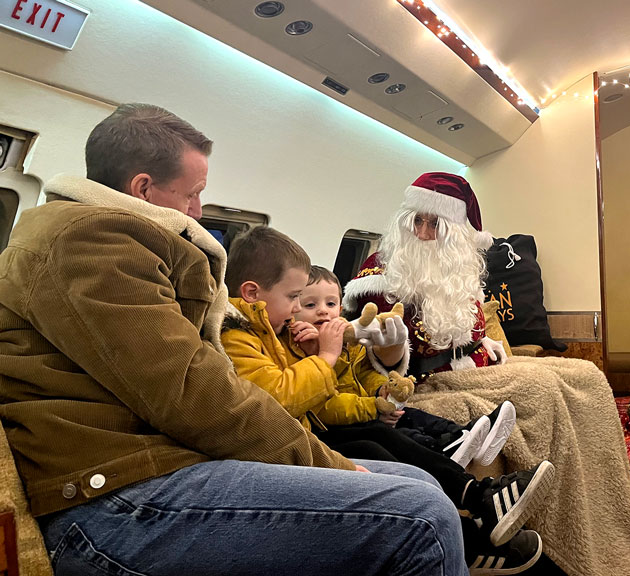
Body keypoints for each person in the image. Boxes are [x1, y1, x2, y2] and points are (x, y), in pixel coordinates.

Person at [0, 103, 469, 575]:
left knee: (417, 480)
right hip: (112, 497)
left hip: (151, 465)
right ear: (142, 188)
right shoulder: (93, 244)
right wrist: (329, 465)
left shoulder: (102, 239)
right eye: (192, 195)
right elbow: (194, 394)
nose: (199, 212)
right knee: (423, 516)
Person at [220, 228, 554, 559]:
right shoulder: (239, 337)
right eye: (295, 298)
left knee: (381, 437)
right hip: (297, 440)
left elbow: (341, 377)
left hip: (307, 433)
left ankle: (479, 498)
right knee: (374, 441)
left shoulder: (276, 328)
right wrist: (326, 358)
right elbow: (283, 397)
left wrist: (373, 382)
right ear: (251, 293)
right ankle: (471, 533)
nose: (297, 309)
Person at [298, 265, 517, 469]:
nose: (323, 312)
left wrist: (383, 390)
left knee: (409, 413)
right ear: (292, 309)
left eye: (331, 304)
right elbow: (323, 404)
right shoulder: (300, 348)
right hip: (346, 421)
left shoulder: (350, 340)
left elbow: (365, 372)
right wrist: (372, 407)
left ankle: (461, 434)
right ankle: (443, 447)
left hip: (368, 406)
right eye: (310, 305)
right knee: (396, 432)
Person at [342, 172, 507, 381]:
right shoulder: (380, 272)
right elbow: (376, 356)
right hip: (425, 382)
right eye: (417, 221)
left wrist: (483, 340)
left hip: (478, 365)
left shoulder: (460, 270)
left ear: (453, 235)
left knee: (553, 376)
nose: (421, 233)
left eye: (435, 224)